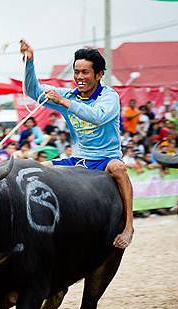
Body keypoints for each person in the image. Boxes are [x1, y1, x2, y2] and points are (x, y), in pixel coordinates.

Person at [20, 39, 133, 248]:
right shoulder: (70, 95)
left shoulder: (109, 97)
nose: (80, 77)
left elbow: (97, 116)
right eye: (77, 72)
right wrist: (29, 62)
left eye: (85, 72)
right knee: (32, 169)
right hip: (77, 158)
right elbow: (32, 91)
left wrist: (64, 102)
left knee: (119, 168)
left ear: (99, 75)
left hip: (106, 158)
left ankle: (128, 226)